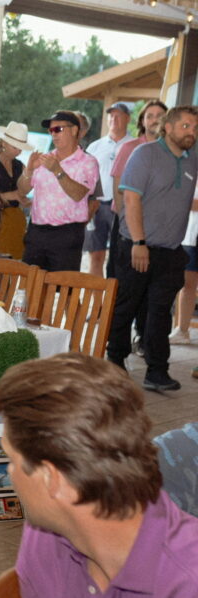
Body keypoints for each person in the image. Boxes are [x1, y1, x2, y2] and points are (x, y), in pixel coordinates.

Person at [0, 353, 198, 598]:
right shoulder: (45, 538)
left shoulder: (189, 588)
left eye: (11, 460)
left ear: (51, 479)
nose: (9, 475)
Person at [108, 106, 198, 392]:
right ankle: (114, 361)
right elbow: (131, 200)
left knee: (160, 311)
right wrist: (139, 242)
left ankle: (157, 371)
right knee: (126, 305)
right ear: (167, 127)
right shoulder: (144, 155)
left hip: (171, 251)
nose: (191, 133)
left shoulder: (192, 159)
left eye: (195, 128)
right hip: (137, 245)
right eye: (185, 126)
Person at [17, 110, 99, 272]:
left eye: (58, 129)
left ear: (75, 130)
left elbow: (79, 194)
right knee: (30, 285)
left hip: (66, 234)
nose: (53, 134)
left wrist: (57, 171)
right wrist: (29, 170)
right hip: (37, 232)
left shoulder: (87, 162)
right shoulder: (44, 158)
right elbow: (22, 190)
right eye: (50, 130)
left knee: (64, 290)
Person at [110, 100, 168, 279]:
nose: (154, 120)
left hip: (158, 226)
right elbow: (118, 187)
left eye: (160, 116)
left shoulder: (172, 152)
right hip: (127, 225)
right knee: (122, 279)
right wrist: (124, 223)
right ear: (142, 121)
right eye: (149, 116)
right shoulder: (129, 147)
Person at [85, 103, 135, 277]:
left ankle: (114, 300)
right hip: (96, 206)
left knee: (118, 256)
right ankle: (97, 302)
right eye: (111, 115)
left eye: (118, 115)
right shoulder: (95, 147)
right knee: (96, 255)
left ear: (128, 118)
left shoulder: (135, 146)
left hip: (122, 208)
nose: (114, 119)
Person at [0, 122, 33, 258]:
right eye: (16, 147)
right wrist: (8, 196)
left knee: (14, 261)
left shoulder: (19, 165)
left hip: (16, 219)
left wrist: (23, 199)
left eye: (21, 148)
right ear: (3, 143)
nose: (19, 151)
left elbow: (23, 191)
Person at [169, 184, 198, 345]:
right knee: (187, 284)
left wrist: (185, 202)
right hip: (191, 235)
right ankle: (182, 330)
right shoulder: (191, 168)